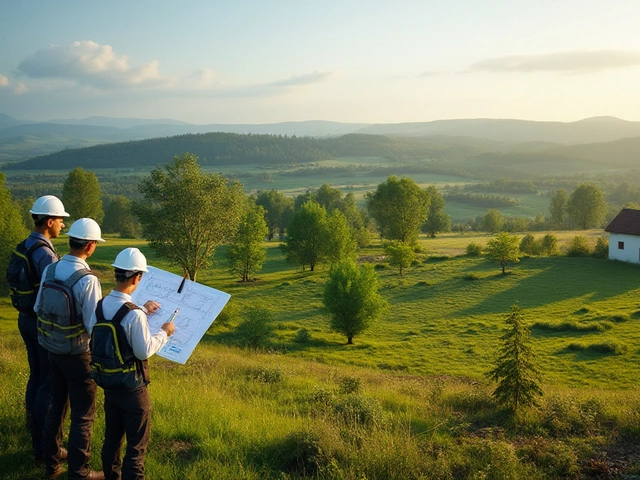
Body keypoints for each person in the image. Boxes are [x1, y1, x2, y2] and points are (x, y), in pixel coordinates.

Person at [90, 247, 174, 480]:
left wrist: (143, 311)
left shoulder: (99, 306)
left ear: (117, 273)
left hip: (109, 383)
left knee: (112, 441)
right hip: (133, 388)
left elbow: (101, 332)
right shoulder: (133, 314)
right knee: (136, 449)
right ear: (137, 277)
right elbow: (143, 350)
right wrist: (164, 333)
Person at [35, 218, 106, 480]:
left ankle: (52, 463)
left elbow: (37, 309)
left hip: (51, 350)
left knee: (57, 407)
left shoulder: (50, 270)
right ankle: (80, 472)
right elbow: (93, 326)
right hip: (78, 355)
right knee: (83, 415)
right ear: (90, 245)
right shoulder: (87, 280)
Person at [10, 195, 69, 462]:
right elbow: (55, 291)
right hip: (40, 323)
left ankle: (34, 434)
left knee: (36, 378)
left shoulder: (25, 245)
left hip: (24, 318)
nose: (62, 226)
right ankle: (46, 447)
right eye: (60, 220)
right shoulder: (45, 254)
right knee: (48, 383)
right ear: (48, 221)